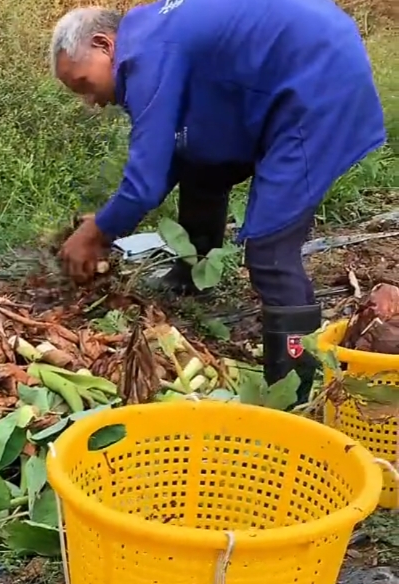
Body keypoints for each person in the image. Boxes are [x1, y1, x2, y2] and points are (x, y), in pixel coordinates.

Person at [52, 0, 386, 401]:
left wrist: (96, 233)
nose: (93, 102)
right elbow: (167, 157)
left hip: (317, 82)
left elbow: (144, 181)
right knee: (198, 159)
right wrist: (103, 224)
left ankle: (295, 385)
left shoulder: (144, 56)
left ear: (105, 45)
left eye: (85, 84)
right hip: (286, 67)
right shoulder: (147, 30)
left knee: (270, 252)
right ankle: (192, 275)